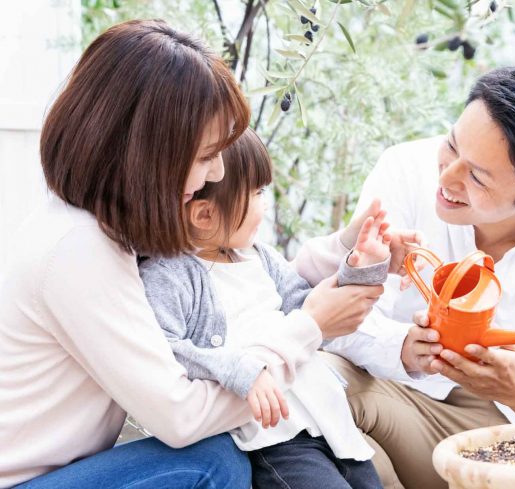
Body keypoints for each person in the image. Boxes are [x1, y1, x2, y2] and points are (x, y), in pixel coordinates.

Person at [0, 20, 381, 488]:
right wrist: (307, 331)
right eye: (205, 156)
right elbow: (181, 418)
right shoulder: (79, 252)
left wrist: (345, 251)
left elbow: (262, 277)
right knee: (213, 461)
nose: (216, 172)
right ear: (143, 156)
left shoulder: (91, 227)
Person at [302, 65, 515, 489]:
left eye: (476, 176)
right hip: (398, 395)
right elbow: (332, 319)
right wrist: (400, 348)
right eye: (451, 146)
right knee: (313, 384)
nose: (447, 177)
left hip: (513, 436)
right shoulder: (404, 169)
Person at [139, 128, 392, 489]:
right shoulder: (168, 275)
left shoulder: (261, 257)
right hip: (274, 439)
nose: (265, 203)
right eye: (256, 193)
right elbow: (168, 352)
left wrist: (361, 266)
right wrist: (240, 370)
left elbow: (312, 313)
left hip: (327, 420)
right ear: (205, 215)